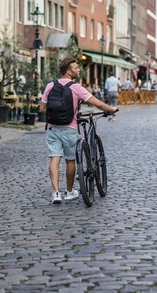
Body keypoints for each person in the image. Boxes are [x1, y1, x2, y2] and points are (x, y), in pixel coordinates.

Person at [40, 57, 117, 205]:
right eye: (76, 68)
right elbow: (98, 104)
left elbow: (42, 108)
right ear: (68, 71)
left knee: (54, 159)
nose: (79, 70)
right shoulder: (76, 87)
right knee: (70, 160)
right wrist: (112, 109)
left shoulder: (50, 86)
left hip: (52, 128)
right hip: (70, 128)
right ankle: (69, 192)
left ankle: (55, 193)